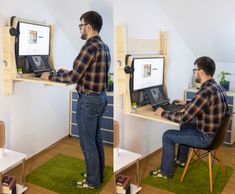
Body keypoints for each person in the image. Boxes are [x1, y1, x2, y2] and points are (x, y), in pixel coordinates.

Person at [41, 11, 111, 188]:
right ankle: (97, 175)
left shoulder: (89, 47)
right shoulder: (104, 46)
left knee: (88, 143)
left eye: (81, 26)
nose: (79, 29)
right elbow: (84, 73)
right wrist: (65, 72)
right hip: (101, 98)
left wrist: (50, 77)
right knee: (96, 139)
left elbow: (74, 78)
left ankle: (92, 182)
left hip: (88, 101)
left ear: (88, 26)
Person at [151, 56, 229, 178]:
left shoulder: (204, 92)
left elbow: (183, 117)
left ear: (201, 72)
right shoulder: (216, 86)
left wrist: (162, 113)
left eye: (195, 70)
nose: (194, 73)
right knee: (185, 126)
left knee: (167, 135)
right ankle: (181, 160)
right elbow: (205, 105)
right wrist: (187, 103)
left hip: (206, 138)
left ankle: (165, 173)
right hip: (216, 135)